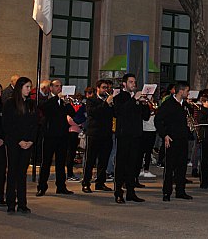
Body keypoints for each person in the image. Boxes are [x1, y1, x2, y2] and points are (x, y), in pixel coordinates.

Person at [3, 77, 38, 214]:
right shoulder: (10, 103)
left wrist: (30, 140)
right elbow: (8, 125)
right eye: (27, 87)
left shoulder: (31, 103)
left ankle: (22, 203)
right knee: (12, 172)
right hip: (14, 142)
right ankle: (11, 203)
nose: (29, 90)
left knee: (22, 174)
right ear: (20, 87)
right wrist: (19, 140)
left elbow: (35, 123)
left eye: (30, 87)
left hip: (27, 143)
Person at [113, 73, 150, 203]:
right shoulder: (119, 97)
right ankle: (118, 192)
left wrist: (144, 104)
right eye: (131, 82)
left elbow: (145, 117)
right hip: (124, 135)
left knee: (133, 165)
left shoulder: (136, 99)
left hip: (136, 135)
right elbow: (120, 112)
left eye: (134, 82)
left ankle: (131, 192)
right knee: (121, 165)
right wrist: (134, 99)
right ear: (124, 84)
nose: (133, 84)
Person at [36, 79, 75, 196]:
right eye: (57, 86)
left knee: (60, 162)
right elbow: (44, 109)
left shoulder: (63, 101)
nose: (59, 88)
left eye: (60, 86)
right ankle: (42, 186)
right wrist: (57, 98)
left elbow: (72, 113)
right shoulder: (48, 99)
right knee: (46, 162)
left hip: (62, 135)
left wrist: (67, 103)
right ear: (51, 88)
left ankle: (61, 186)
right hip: (49, 135)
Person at [155, 81, 192, 200]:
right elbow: (158, 120)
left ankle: (180, 191)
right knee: (170, 167)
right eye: (187, 91)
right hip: (171, 139)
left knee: (182, 166)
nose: (188, 93)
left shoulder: (185, 105)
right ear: (181, 91)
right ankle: (167, 192)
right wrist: (164, 134)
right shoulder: (168, 104)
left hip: (183, 139)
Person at [81, 79, 114, 193]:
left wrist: (111, 104)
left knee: (103, 160)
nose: (106, 90)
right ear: (98, 89)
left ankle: (100, 182)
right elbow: (93, 113)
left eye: (107, 88)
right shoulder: (91, 100)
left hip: (106, 134)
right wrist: (106, 103)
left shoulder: (110, 101)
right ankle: (86, 183)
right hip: (94, 134)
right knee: (90, 160)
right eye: (104, 87)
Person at [66, 93, 86, 182]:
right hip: (72, 132)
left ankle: (70, 173)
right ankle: (69, 173)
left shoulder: (82, 107)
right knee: (70, 153)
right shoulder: (69, 107)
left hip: (77, 131)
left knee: (72, 153)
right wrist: (79, 123)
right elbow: (69, 119)